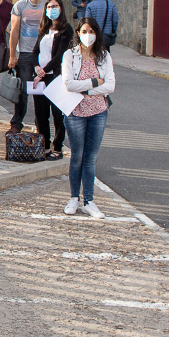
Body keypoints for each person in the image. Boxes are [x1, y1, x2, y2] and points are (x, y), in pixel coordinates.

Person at [62, 16, 114, 219]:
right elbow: (68, 84)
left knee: (91, 158)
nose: (88, 35)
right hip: (75, 112)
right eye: (84, 31)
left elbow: (110, 86)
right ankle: (74, 198)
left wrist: (85, 90)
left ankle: (89, 201)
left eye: (91, 31)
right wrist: (94, 83)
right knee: (77, 156)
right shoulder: (70, 56)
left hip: (98, 111)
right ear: (78, 33)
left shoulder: (104, 56)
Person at [32, 0, 73, 160]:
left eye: (55, 6)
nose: (51, 9)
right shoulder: (44, 28)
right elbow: (35, 51)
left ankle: (58, 147)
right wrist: (36, 67)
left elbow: (59, 56)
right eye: (49, 7)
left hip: (55, 77)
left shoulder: (66, 29)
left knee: (58, 114)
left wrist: (43, 71)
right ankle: (45, 146)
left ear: (61, 8)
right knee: (40, 114)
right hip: (39, 78)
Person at [7, 0, 47, 134]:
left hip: (43, 55)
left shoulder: (48, 5)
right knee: (23, 91)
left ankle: (40, 125)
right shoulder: (20, 6)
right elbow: (14, 31)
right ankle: (17, 123)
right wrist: (12, 55)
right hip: (24, 54)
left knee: (39, 91)